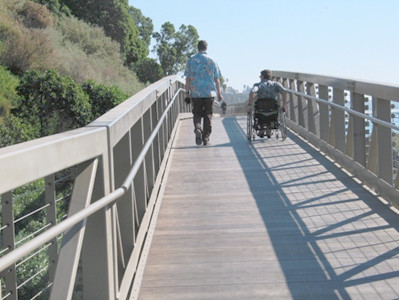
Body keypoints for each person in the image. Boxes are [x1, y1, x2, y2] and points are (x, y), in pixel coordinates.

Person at [184, 40, 223, 146]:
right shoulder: (212, 61)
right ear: (206, 48)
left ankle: (197, 128)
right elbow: (217, 79)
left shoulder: (191, 60)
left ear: (198, 48)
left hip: (196, 93)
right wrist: (219, 94)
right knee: (208, 115)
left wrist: (187, 93)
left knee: (196, 113)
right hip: (209, 93)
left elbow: (188, 79)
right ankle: (205, 137)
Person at [247, 69, 287, 136]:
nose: (260, 78)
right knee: (272, 114)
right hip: (273, 110)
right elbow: (284, 91)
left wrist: (249, 105)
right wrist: (284, 105)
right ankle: (269, 129)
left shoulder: (258, 85)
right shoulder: (276, 84)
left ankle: (261, 130)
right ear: (270, 77)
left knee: (259, 114)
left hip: (260, 111)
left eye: (260, 76)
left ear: (262, 76)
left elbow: (252, 92)